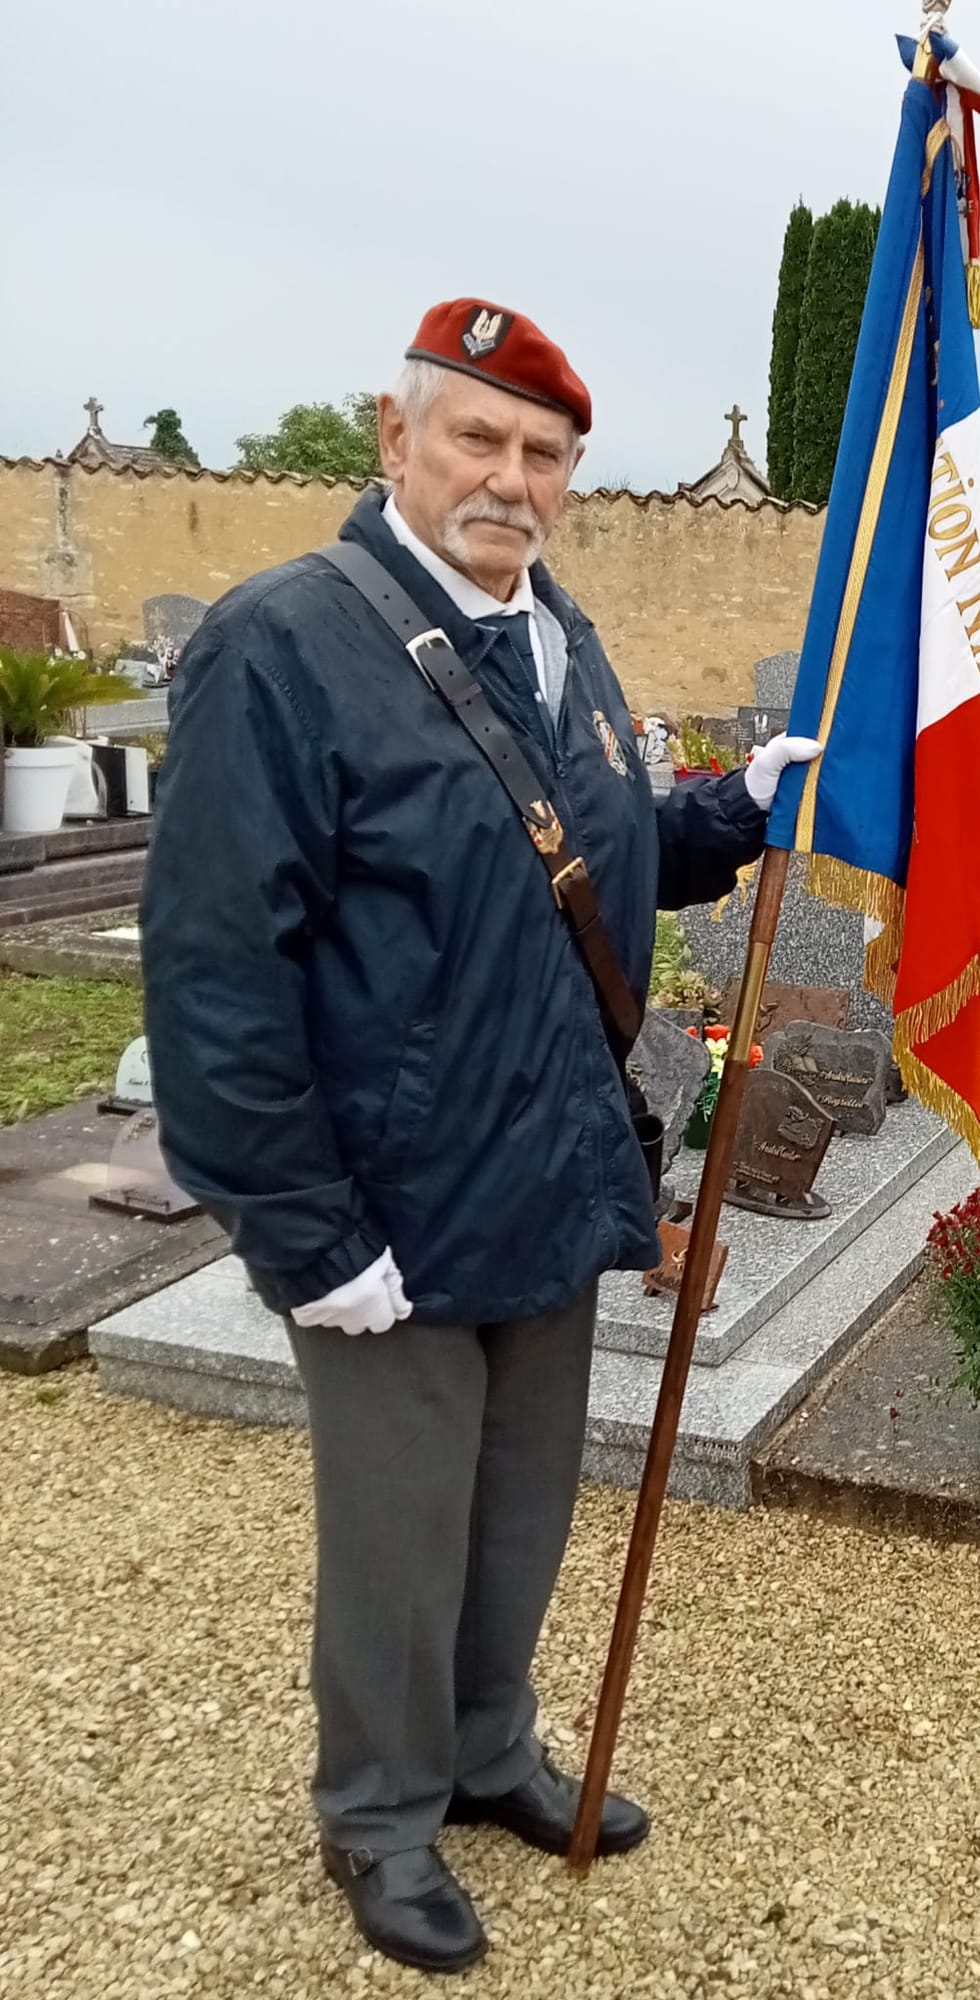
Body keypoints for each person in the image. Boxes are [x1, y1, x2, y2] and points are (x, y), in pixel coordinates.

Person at [142, 298, 819, 1976]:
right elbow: (220, 977)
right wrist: (306, 1235)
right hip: (387, 1206)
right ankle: (379, 1814)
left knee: (518, 1513)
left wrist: (726, 815)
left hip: (551, 1168)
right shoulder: (281, 645)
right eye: (478, 438)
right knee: (399, 1535)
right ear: (396, 437)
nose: (510, 478)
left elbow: (577, 866)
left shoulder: (555, 634)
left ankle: (489, 1750)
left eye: (545, 452)